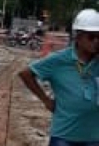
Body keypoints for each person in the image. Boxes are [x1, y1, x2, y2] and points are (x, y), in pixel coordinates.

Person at [19, 9, 99, 146]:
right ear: (78, 37)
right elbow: (26, 74)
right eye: (91, 37)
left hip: (94, 137)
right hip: (64, 136)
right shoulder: (59, 60)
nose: (97, 41)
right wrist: (46, 100)